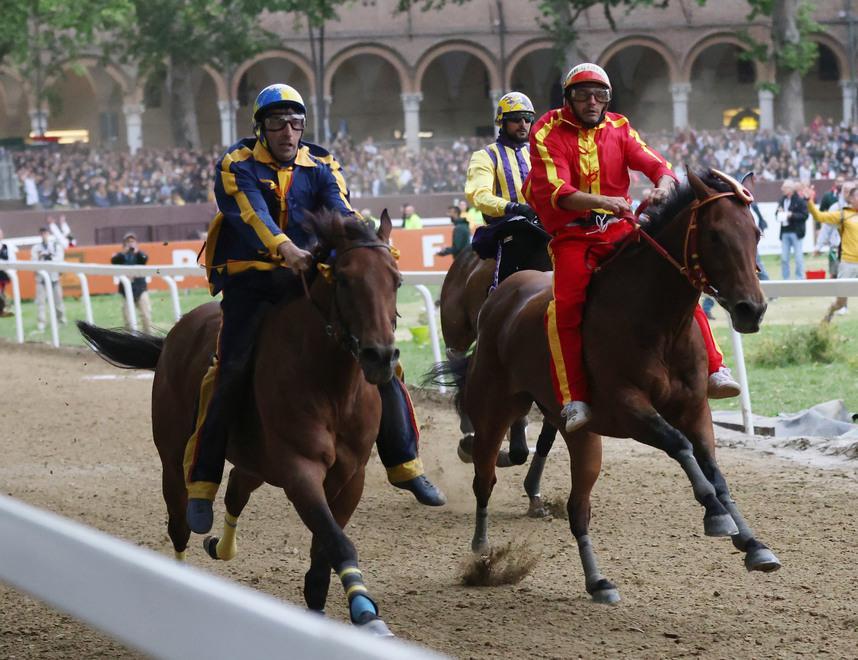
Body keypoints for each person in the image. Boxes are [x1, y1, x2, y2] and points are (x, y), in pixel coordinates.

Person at [186, 83, 444, 535]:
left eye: (295, 123)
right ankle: (204, 480)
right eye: (277, 123)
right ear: (261, 128)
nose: (288, 131)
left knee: (381, 355)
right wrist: (285, 248)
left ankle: (405, 462)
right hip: (252, 282)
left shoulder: (321, 163)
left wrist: (366, 242)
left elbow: (342, 211)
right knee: (230, 368)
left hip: (306, 274)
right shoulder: (236, 164)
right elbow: (252, 215)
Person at [524, 62, 739, 433]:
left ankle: (715, 368)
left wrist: (663, 187)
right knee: (566, 307)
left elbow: (660, 167)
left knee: (677, 277)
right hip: (574, 237)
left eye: (600, 95)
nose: (592, 102)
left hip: (621, 229)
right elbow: (558, 191)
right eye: (583, 95)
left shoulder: (619, 127)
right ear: (568, 99)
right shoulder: (546, 129)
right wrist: (604, 202)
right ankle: (574, 398)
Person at [466, 91, 550, 282]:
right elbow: (479, 195)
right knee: (518, 239)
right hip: (508, 227)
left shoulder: (539, 153)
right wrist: (514, 207)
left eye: (527, 119)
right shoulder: (485, 156)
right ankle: (498, 292)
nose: (523, 124)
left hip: (542, 224)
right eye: (516, 119)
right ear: (502, 122)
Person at [808, 182, 858, 323]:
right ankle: (828, 316)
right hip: (848, 264)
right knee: (840, 302)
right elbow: (819, 216)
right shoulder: (843, 214)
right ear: (851, 199)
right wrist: (809, 201)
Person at [111, 232, 153, 334]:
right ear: (124, 244)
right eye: (128, 242)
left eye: (132, 241)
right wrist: (124, 252)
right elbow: (113, 261)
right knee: (128, 319)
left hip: (140, 289)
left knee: (146, 315)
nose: (130, 244)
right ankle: (130, 338)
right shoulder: (121, 256)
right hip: (126, 291)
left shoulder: (140, 255)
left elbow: (145, 259)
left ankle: (148, 336)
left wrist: (137, 251)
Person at [30, 226, 66, 332]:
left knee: (58, 301)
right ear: (40, 235)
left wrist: (50, 257)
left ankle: (61, 320)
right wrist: (41, 257)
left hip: (54, 277)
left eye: (45, 233)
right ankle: (41, 323)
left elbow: (60, 259)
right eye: (42, 233)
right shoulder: (36, 248)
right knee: (41, 303)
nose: (44, 235)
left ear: (48, 234)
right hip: (41, 279)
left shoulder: (55, 246)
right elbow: (33, 261)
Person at [777, 180, 808, 280]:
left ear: (791, 189)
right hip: (785, 232)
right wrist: (779, 213)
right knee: (784, 258)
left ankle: (800, 279)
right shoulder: (782, 200)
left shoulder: (800, 201)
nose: (782, 189)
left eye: (784, 187)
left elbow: (805, 215)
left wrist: (792, 215)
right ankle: (786, 280)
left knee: (798, 258)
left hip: (796, 232)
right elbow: (776, 214)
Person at [0, 228, 10, 317]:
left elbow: (9, 258)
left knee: (2, 291)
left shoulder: (6, 246)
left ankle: (3, 308)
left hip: (2, 274)